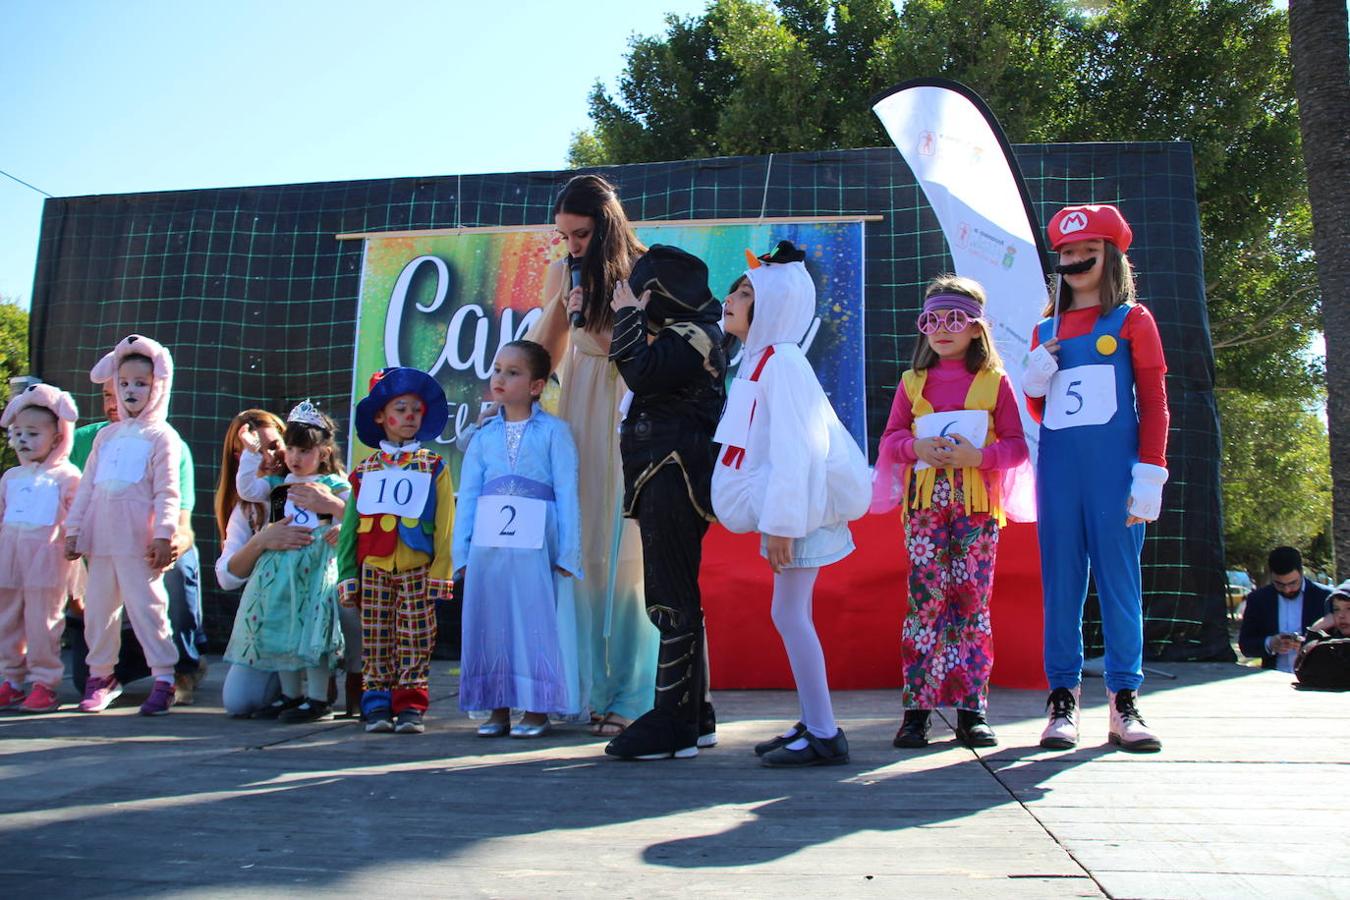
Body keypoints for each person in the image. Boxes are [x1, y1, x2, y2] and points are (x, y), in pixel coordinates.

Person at [711, 242, 872, 767]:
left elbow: (795, 448)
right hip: (793, 509)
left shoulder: (780, 363)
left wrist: (781, 523)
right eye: (735, 290)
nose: (731, 299)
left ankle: (824, 732)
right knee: (789, 613)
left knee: (790, 614)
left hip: (800, 512)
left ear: (773, 305)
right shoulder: (762, 361)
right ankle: (814, 720)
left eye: (745, 293)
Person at [1022, 204, 1169, 753]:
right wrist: (1035, 381)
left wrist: (1151, 470)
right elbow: (1043, 411)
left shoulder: (1133, 320)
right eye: (1067, 251)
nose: (1077, 259)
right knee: (1061, 584)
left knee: (1120, 584)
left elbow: (1153, 401)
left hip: (1116, 473)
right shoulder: (1044, 329)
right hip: (1059, 474)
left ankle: (1124, 700)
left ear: (1111, 257)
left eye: (1088, 250)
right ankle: (1062, 698)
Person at [874, 275, 1031, 750]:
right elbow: (890, 440)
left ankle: (971, 710)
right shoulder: (912, 383)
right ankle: (917, 712)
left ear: (977, 327)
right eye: (932, 320)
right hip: (924, 509)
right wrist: (915, 446)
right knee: (925, 603)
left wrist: (978, 457)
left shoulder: (995, 383)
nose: (942, 329)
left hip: (977, 510)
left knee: (971, 603)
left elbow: (1017, 446)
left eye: (954, 320)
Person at [526, 174, 658, 739]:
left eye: (580, 235)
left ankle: (635, 693)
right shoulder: (564, 274)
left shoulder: (648, 270)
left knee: (631, 555)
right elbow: (544, 351)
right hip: (579, 415)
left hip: (632, 411)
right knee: (584, 549)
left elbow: (653, 356)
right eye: (564, 235)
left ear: (606, 227)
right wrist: (512, 392)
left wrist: (604, 331)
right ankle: (588, 689)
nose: (572, 245)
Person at [602, 245, 727, 761]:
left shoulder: (695, 334)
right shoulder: (688, 334)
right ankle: (694, 715)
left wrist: (628, 315)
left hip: (674, 474)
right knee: (674, 592)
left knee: (669, 596)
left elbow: (641, 373)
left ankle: (672, 721)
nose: (634, 302)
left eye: (641, 294)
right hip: (664, 474)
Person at [453, 341, 583, 737]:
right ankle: (496, 708)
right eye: (497, 370)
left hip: (536, 543)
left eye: (513, 373)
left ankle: (537, 709)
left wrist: (569, 551)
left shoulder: (554, 432)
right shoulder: (483, 437)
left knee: (533, 620)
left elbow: (567, 491)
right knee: (490, 619)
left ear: (536, 386)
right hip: (488, 545)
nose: (500, 378)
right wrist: (462, 552)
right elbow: (469, 494)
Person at [66, 376, 205, 705]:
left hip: (143, 551)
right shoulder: (93, 439)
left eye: (137, 385)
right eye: (111, 392)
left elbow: (177, 511)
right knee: (97, 622)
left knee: (160, 593)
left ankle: (174, 672)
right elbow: (80, 493)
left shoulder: (166, 439)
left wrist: (166, 540)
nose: (121, 398)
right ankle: (103, 676)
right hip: (100, 552)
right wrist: (74, 535)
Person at [338, 366, 453, 735]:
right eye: (400, 409)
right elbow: (349, 528)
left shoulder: (434, 465)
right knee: (375, 635)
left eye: (416, 410)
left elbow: (446, 522)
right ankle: (376, 702)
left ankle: (410, 704)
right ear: (380, 416)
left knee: (417, 635)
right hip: (373, 566)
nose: (409, 417)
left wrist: (441, 570)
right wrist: (346, 574)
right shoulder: (364, 471)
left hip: (417, 565)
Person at [224, 402, 350, 721]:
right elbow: (246, 488)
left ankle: (318, 698)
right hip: (280, 571)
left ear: (323, 452)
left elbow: (357, 516)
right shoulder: (279, 484)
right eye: (291, 449)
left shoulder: (334, 484)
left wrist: (338, 519)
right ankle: (290, 695)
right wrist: (251, 453)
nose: (295, 457)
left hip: (315, 571)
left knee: (313, 631)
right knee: (280, 627)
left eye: (304, 450)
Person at [0, 384, 82, 713]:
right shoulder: (10, 477)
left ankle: (44, 683)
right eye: (18, 433)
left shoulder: (67, 476)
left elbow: (77, 516)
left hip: (47, 565)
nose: (24, 440)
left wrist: (75, 540)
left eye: (33, 434)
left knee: (43, 624)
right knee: (7, 621)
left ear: (58, 436)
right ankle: (11, 680)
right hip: (9, 563)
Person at [1237, 546, 1330, 672]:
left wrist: (1308, 645)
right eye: (1279, 584)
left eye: (1293, 583)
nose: (1287, 590)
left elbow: (1339, 641)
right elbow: (1246, 645)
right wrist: (1270, 643)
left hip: (1315, 675)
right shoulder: (1258, 599)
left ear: (1301, 572)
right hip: (1274, 675)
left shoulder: (1325, 597)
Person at [1295, 587, 1350, 691]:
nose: (1341, 615)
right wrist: (1316, 628)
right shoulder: (1330, 646)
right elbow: (1302, 670)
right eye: (1336, 609)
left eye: (1349, 608)